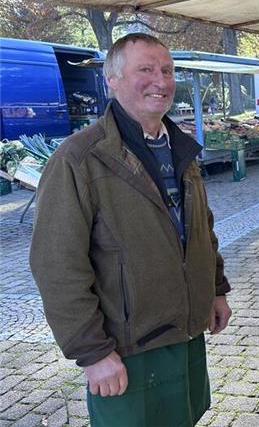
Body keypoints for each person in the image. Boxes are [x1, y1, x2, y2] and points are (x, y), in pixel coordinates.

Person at [30, 33, 232, 427]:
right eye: (146, 69)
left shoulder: (180, 149)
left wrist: (216, 289)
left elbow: (200, 230)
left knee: (185, 418)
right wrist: (91, 352)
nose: (161, 80)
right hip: (126, 349)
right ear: (113, 79)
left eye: (168, 71)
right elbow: (56, 265)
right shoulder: (78, 159)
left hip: (185, 336)